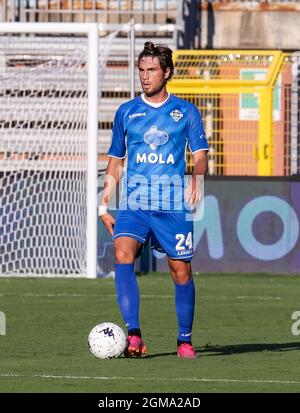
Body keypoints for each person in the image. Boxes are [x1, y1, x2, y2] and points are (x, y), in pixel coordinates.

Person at [99, 41, 209, 359]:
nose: (145, 77)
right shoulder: (126, 112)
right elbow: (116, 161)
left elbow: (200, 155)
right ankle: (133, 336)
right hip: (135, 204)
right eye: (141, 70)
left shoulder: (185, 112)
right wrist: (104, 203)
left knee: (181, 273)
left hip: (173, 205)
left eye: (151, 70)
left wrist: (197, 176)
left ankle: (184, 340)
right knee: (122, 254)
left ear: (167, 72)